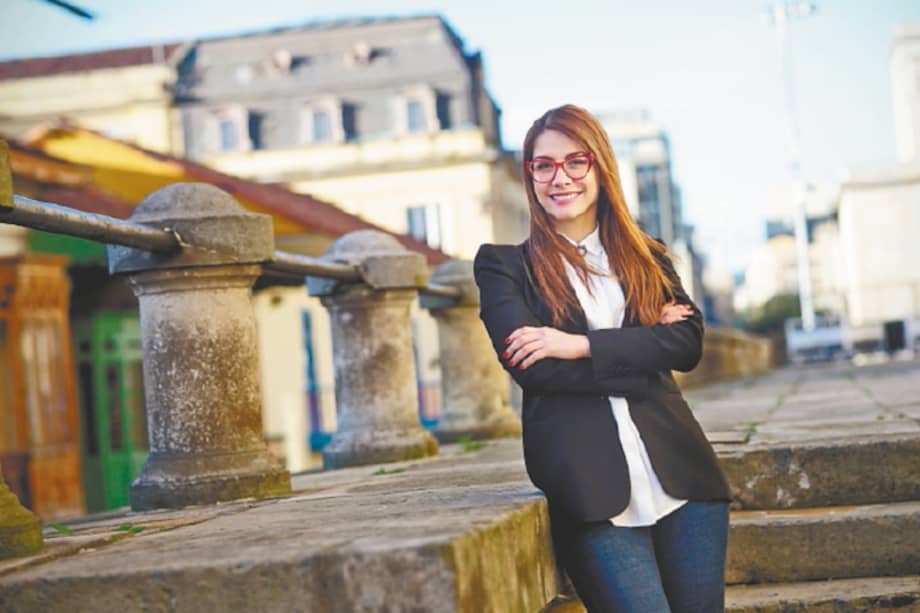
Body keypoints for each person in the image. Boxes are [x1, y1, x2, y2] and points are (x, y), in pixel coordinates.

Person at [473, 104, 731, 612]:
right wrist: (640, 352)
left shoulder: (646, 256)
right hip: (591, 493)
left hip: (684, 477)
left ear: (600, 167)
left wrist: (580, 344)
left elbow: (686, 345)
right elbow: (536, 369)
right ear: (530, 176)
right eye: (542, 165)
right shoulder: (502, 268)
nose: (559, 177)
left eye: (576, 161)